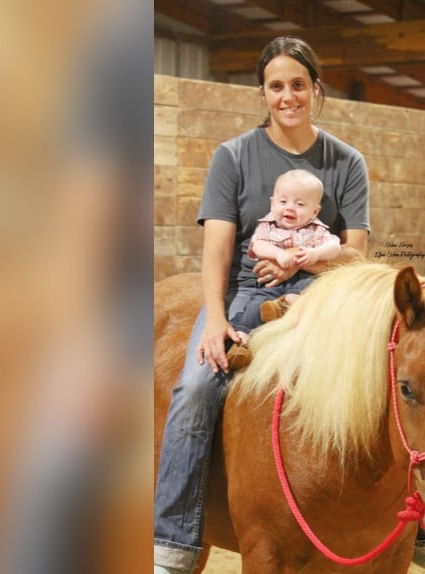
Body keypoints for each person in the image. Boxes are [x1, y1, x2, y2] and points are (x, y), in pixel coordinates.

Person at [153, 36, 370, 574]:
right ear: (263, 93)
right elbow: (218, 251)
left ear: (315, 90)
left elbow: (358, 252)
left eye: (298, 84)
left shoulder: (346, 162)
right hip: (244, 293)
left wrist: (301, 266)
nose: (288, 96)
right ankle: (175, 541)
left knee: (382, 374)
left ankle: (410, 525)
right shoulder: (234, 156)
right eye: (277, 86)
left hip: (322, 297)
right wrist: (215, 321)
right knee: (198, 385)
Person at [225, 168, 342, 369]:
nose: (290, 208)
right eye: (283, 201)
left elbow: (335, 247)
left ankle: (285, 305)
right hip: (270, 283)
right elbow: (257, 245)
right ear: (272, 203)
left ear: (314, 211)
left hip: (303, 280)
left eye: (300, 204)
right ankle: (242, 342)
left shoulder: (317, 230)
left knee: (308, 290)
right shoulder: (267, 226)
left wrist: (317, 254)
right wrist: (279, 255)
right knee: (255, 305)